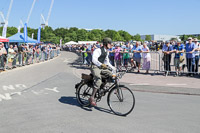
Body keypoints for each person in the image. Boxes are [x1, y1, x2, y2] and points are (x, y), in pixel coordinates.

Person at [90, 37, 116, 106]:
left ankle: (102, 87)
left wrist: (113, 68)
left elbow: (107, 62)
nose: (111, 45)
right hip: (95, 67)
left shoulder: (106, 52)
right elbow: (94, 60)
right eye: (110, 44)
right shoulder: (98, 50)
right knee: (98, 79)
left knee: (111, 74)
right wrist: (101, 64)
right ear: (106, 44)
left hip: (101, 67)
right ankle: (92, 97)